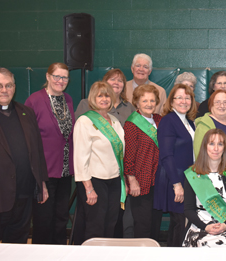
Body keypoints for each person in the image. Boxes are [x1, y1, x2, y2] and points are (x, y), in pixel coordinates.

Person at [0, 68, 49, 243]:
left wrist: (42, 183)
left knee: (17, 246)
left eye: (8, 85)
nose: (4, 90)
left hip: (23, 195)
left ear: (14, 87)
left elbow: (37, 150)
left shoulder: (26, 113)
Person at [25, 62, 75, 244]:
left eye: (65, 77)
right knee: (43, 220)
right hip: (44, 171)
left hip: (64, 172)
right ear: (48, 77)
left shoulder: (68, 99)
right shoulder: (34, 100)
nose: (61, 81)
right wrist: (38, 176)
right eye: (57, 76)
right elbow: (29, 138)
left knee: (61, 218)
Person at [73, 81, 126, 242]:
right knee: (95, 226)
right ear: (92, 98)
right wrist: (88, 188)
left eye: (107, 95)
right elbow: (80, 157)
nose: (104, 99)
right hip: (95, 181)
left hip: (114, 180)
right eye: (100, 95)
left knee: (111, 223)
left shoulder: (115, 121)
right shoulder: (85, 121)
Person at [183, 129, 226, 247]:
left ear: (224, 148)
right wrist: (205, 227)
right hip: (199, 226)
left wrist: (225, 225)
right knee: (201, 243)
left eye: (220, 144)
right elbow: (188, 210)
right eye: (211, 143)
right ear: (205, 146)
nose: (216, 148)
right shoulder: (193, 174)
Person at [154, 83, 197, 247]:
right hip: (174, 179)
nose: (184, 101)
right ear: (171, 102)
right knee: (180, 223)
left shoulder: (190, 122)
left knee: (179, 224)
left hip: (187, 179)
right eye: (179, 97)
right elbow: (166, 155)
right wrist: (177, 185)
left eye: (187, 98)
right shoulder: (168, 121)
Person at [123, 84, 162, 239]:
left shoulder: (159, 120)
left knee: (155, 223)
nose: (149, 104)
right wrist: (131, 180)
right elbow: (129, 155)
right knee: (143, 224)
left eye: (152, 100)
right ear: (137, 103)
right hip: (141, 181)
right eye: (144, 100)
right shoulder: (132, 123)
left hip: (158, 180)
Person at [194, 90, 226, 180]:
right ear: (211, 105)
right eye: (217, 102)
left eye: (225, 102)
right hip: (220, 178)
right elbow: (199, 154)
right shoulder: (204, 125)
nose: (222, 106)